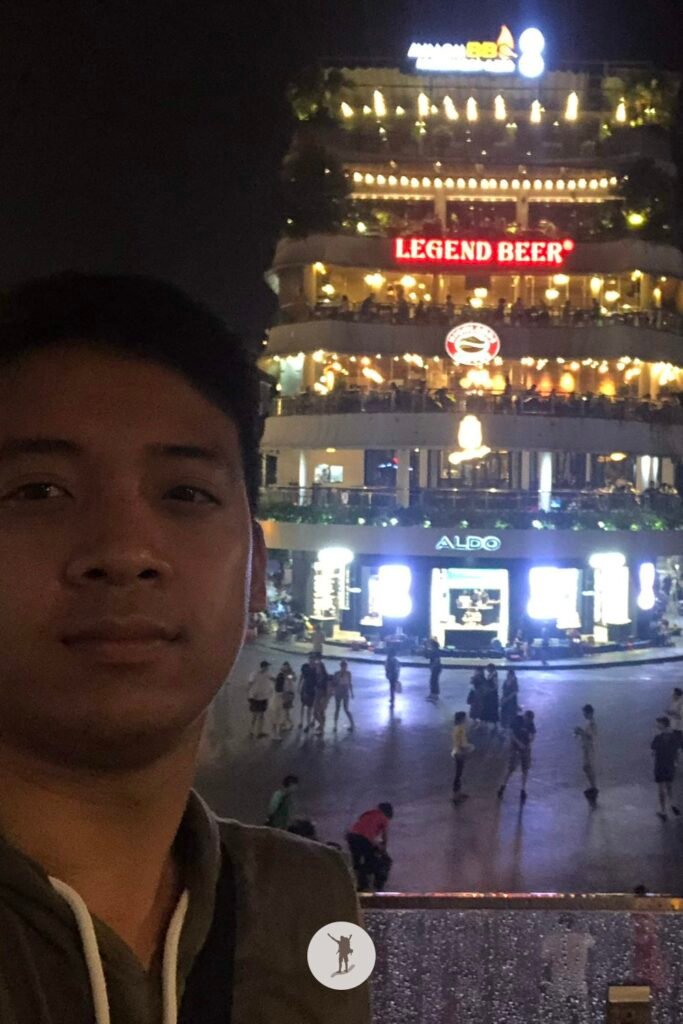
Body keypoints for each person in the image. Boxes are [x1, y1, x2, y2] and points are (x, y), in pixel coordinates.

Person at [0, 272, 368, 1022]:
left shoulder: (305, 910)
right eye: (39, 491)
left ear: (257, 570)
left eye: (185, 494)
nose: (126, 551)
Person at [346, 803, 394, 891]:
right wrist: (383, 849)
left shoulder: (368, 813)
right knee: (372, 861)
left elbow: (362, 828)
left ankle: (359, 883)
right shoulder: (384, 818)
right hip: (364, 839)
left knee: (356, 861)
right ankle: (371, 884)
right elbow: (384, 837)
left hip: (351, 836)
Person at [498, 710, 536, 802]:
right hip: (515, 747)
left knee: (525, 769)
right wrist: (519, 743)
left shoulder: (530, 723)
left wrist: (530, 740)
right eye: (527, 720)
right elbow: (511, 733)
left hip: (525, 747)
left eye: (529, 721)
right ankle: (502, 787)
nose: (528, 722)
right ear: (525, 717)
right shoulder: (517, 720)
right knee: (510, 768)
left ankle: (523, 789)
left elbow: (533, 734)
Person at [651, 716, 681, 821]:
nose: (657, 725)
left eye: (658, 723)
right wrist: (676, 762)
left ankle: (663, 810)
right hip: (670, 765)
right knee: (669, 786)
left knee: (661, 789)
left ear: (663, 724)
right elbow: (678, 751)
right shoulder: (674, 737)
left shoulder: (658, 738)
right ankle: (672, 803)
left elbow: (653, 752)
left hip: (660, 764)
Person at [574, 704, 598, 802]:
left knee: (588, 767)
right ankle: (592, 786)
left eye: (585, 712)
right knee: (587, 767)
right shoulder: (588, 722)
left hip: (588, 748)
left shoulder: (591, 723)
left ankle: (593, 787)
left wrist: (580, 731)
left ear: (589, 713)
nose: (583, 714)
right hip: (586, 747)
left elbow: (590, 736)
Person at [247, 660, 274, 739]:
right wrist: (249, 694)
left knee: (261, 715)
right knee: (255, 715)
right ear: (264, 667)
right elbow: (250, 683)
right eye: (267, 666)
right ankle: (251, 730)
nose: (268, 668)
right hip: (255, 697)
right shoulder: (254, 674)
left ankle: (259, 731)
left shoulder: (267, 674)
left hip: (263, 697)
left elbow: (273, 678)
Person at [452, 711, 474, 801]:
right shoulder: (460, 729)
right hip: (460, 753)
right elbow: (462, 744)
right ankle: (456, 794)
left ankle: (458, 793)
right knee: (459, 774)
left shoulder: (457, 728)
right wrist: (470, 747)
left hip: (457, 752)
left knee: (459, 773)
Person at [272, 660, 296, 736]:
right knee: (285, 710)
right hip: (284, 693)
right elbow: (278, 682)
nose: (285, 668)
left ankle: (286, 724)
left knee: (285, 710)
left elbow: (293, 678)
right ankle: (288, 723)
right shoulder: (281, 674)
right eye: (284, 666)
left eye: (286, 666)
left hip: (289, 693)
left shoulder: (290, 674)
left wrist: (288, 675)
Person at [333, 659, 355, 731]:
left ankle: (352, 724)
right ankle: (335, 725)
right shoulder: (337, 674)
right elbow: (334, 683)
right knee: (337, 708)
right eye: (343, 666)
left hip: (345, 693)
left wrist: (352, 693)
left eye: (345, 666)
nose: (344, 668)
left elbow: (350, 683)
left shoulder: (348, 674)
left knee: (346, 709)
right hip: (338, 692)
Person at [298, 653, 317, 732]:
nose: (311, 660)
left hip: (312, 689)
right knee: (303, 705)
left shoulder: (316, 668)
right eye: (310, 658)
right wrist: (299, 686)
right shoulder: (305, 667)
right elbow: (302, 676)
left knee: (310, 707)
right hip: (305, 688)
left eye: (313, 659)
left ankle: (308, 724)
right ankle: (301, 721)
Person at [313, 654, 331, 734]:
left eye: (318, 667)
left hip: (322, 696)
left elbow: (327, 688)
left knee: (319, 712)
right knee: (317, 712)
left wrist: (325, 698)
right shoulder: (317, 676)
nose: (317, 669)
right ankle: (321, 726)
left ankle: (322, 727)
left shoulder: (324, 678)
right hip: (317, 695)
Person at [481, 665, 500, 735]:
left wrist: (489, 690)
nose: (487, 670)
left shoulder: (494, 676)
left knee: (492, 709)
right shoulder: (491, 675)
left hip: (492, 696)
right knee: (487, 709)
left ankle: (494, 725)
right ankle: (486, 724)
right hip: (489, 695)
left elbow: (496, 687)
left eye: (488, 668)